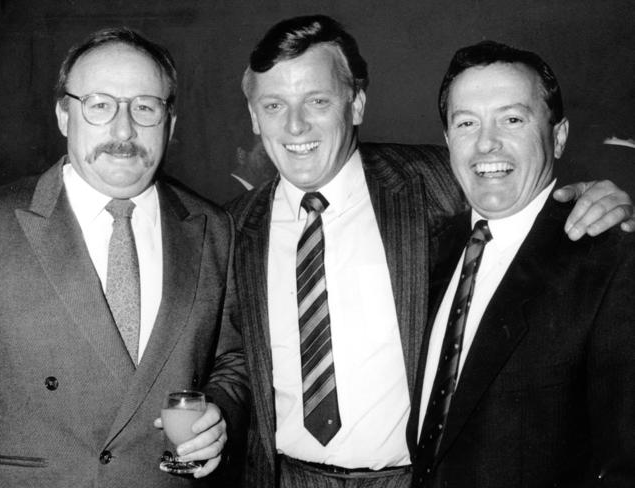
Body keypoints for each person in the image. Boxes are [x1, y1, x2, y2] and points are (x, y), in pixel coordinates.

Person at [227, 14, 634, 488]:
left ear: (356, 103)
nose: (296, 125)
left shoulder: (433, 183)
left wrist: (605, 200)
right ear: (254, 116)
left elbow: (513, 184)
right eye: (274, 105)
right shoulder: (231, 228)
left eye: (317, 100)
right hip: (283, 477)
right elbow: (229, 361)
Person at [0, 27, 249, 487]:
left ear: (170, 123)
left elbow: (233, 360)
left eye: (145, 107)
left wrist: (219, 412)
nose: (123, 130)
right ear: (64, 115)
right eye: (100, 105)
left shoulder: (212, 229)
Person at [408, 40, 635, 488]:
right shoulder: (431, 245)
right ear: (448, 141)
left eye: (512, 119)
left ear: (559, 135)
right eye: (467, 122)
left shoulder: (610, 260)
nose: (486, 142)